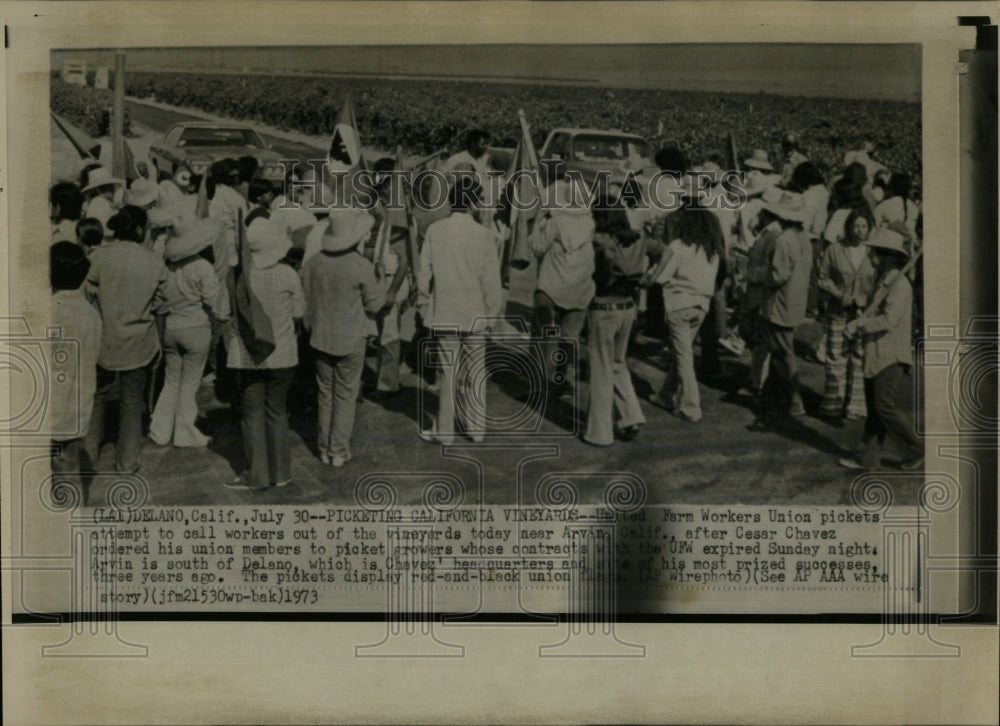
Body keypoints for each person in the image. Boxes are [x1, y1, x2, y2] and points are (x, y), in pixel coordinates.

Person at [416, 182, 503, 444]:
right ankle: (476, 429)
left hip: (444, 312)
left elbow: (423, 275)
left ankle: (445, 432)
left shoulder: (435, 230)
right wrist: (491, 316)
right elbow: (491, 283)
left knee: (447, 373)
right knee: (476, 372)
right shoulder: (484, 235)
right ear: (475, 204)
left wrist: (423, 305)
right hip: (475, 313)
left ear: (451, 201)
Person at [224, 208, 305, 489]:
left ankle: (256, 474)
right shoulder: (288, 274)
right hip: (283, 354)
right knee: (278, 412)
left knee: (252, 415)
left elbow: (225, 313)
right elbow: (299, 312)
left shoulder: (236, 278)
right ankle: (282, 472)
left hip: (247, 356)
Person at [83, 205, 167, 473]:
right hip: (139, 343)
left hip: (103, 339)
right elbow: (161, 305)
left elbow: (87, 294)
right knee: (132, 403)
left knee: (96, 397)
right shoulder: (154, 261)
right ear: (141, 229)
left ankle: (88, 455)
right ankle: (127, 462)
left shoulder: (99, 256)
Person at [302, 209, 386, 466]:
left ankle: (324, 447)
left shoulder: (313, 262)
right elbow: (374, 306)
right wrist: (380, 279)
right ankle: (338, 449)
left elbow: (305, 298)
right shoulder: (360, 265)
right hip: (350, 338)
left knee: (325, 394)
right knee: (345, 396)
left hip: (318, 336)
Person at [839, 227, 922, 470]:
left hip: (891, 357)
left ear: (886, 255)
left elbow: (888, 320)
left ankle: (916, 448)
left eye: (874, 253)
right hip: (875, 354)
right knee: (875, 411)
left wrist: (859, 324)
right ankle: (868, 458)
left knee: (885, 407)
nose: (870, 257)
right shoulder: (883, 283)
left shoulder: (900, 285)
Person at [584, 193, 662, 445]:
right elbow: (667, 252)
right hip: (629, 306)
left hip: (603, 307)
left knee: (600, 369)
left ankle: (600, 433)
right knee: (617, 363)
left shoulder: (599, 240)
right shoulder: (638, 238)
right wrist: (650, 278)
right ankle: (631, 415)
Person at [645, 176, 725, 422]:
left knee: (683, 355)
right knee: (684, 350)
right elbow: (723, 258)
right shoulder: (712, 223)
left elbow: (665, 259)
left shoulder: (673, 222)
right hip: (703, 298)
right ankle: (666, 395)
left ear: (681, 198)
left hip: (678, 298)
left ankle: (691, 405)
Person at [148, 218, 229, 448]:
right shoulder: (202, 266)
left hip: (171, 327)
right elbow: (213, 301)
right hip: (195, 327)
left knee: (172, 381)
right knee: (189, 384)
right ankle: (184, 432)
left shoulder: (167, 266)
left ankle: (160, 429)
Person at [752, 188, 813, 424]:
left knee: (783, 354)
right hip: (796, 300)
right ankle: (771, 398)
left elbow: (777, 276)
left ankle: (794, 402)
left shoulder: (783, 240)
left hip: (780, 303)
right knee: (780, 350)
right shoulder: (804, 239)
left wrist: (758, 274)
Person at [528, 178, 595, 395]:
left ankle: (539, 382)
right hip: (581, 287)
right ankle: (565, 378)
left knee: (544, 334)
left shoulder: (556, 222)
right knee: (571, 336)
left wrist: (538, 223)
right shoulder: (592, 224)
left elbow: (538, 248)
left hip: (551, 284)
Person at [49, 241, 102, 502]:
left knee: (58, 467)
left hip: (52, 403)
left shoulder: (50, 311)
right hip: (80, 400)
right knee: (69, 463)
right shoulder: (90, 312)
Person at [816, 207, 878, 421]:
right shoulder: (835, 249)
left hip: (864, 314)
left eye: (863, 226)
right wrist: (838, 294)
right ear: (849, 227)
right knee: (836, 355)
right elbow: (823, 278)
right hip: (838, 311)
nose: (859, 230)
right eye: (856, 226)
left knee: (860, 357)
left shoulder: (874, 252)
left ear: (869, 228)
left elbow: (881, 283)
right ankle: (833, 402)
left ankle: (856, 406)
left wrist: (867, 300)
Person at [874, 172, 920, 239]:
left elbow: (875, 227)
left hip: (888, 242)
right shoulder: (914, 208)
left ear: (891, 186)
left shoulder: (884, 205)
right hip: (907, 244)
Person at [81, 167, 125, 233]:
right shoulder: (98, 203)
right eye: (107, 186)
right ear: (99, 189)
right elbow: (106, 229)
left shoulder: (105, 202)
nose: (111, 188)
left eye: (111, 185)